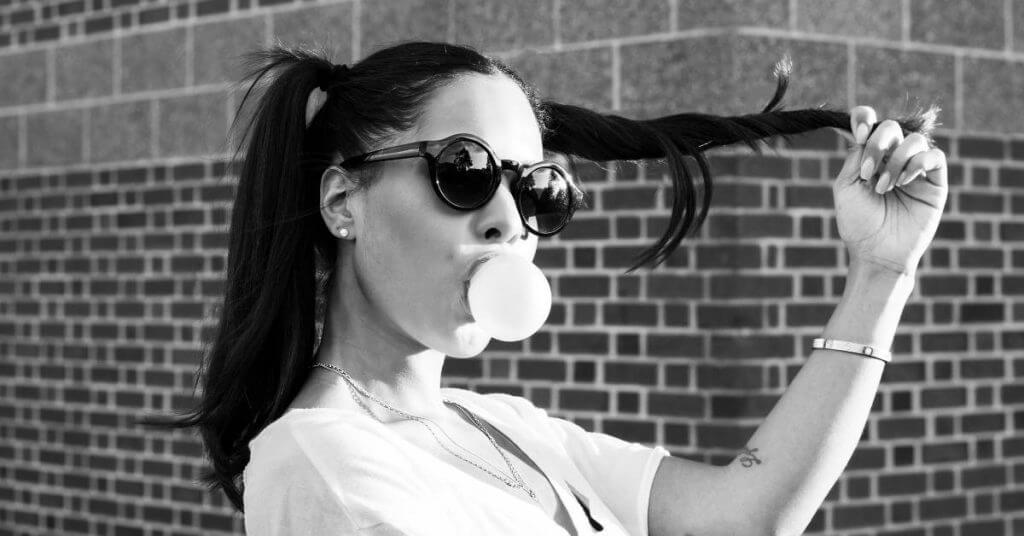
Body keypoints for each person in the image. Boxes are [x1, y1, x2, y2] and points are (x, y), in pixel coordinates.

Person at [136, 40, 948, 535]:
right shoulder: (323, 464)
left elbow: (743, 515)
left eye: (536, 188)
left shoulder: (502, 427)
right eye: (463, 171)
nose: (508, 222)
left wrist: (883, 271)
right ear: (343, 201)